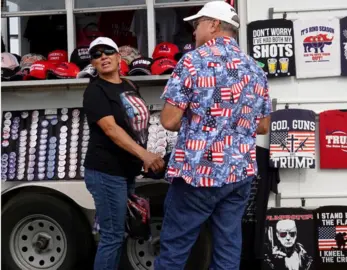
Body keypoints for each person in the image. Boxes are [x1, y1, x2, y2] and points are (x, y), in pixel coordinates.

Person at [154, 1, 271, 269]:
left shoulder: (193, 62)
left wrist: (207, 118)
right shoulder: (254, 67)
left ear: (214, 24)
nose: (194, 32)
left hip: (198, 172)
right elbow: (263, 126)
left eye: (197, 25)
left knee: (175, 248)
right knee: (228, 247)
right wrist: (231, 122)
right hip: (239, 172)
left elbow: (169, 121)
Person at [82, 36, 165, 270]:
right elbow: (111, 129)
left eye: (108, 52)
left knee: (121, 233)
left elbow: (135, 125)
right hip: (106, 172)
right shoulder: (95, 91)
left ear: (119, 57)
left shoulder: (129, 85)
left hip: (125, 171)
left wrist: (145, 155)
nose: (103, 57)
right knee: (112, 236)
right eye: (96, 55)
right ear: (94, 64)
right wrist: (144, 155)